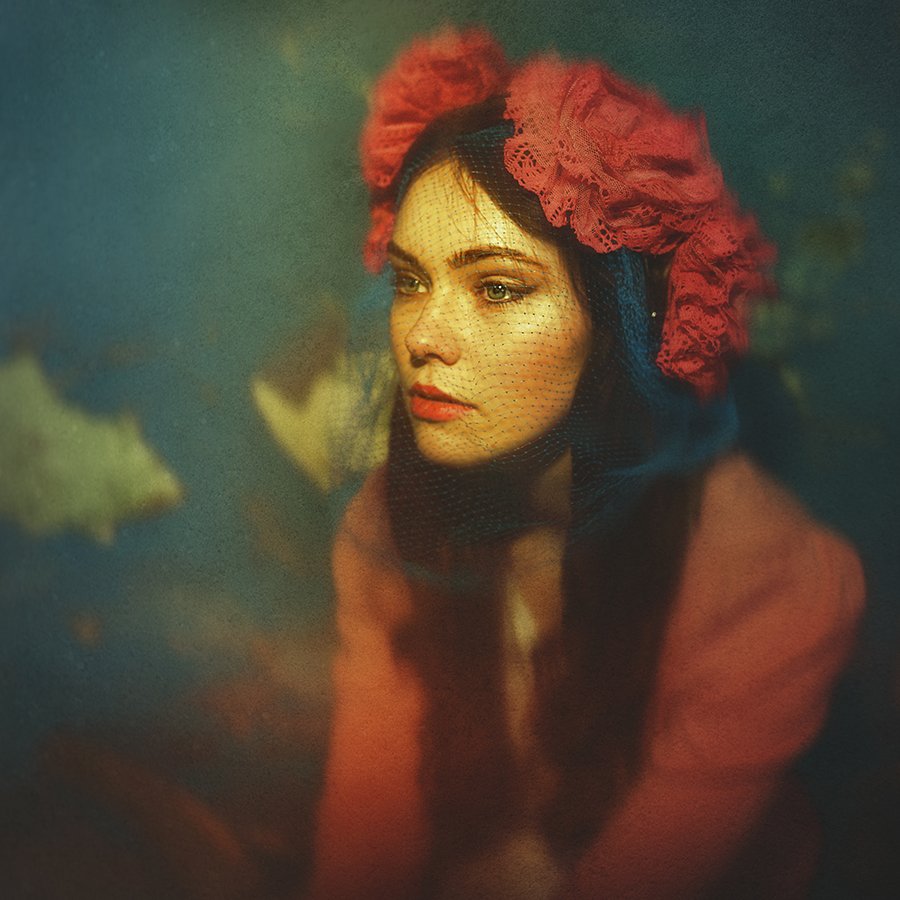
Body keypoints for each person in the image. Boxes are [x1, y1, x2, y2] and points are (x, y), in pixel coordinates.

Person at [308, 27, 865, 900]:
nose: (423, 335)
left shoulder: (769, 580)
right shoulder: (390, 522)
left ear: (618, 326)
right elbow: (364, 854)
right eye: (412, 281)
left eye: (497, 287)